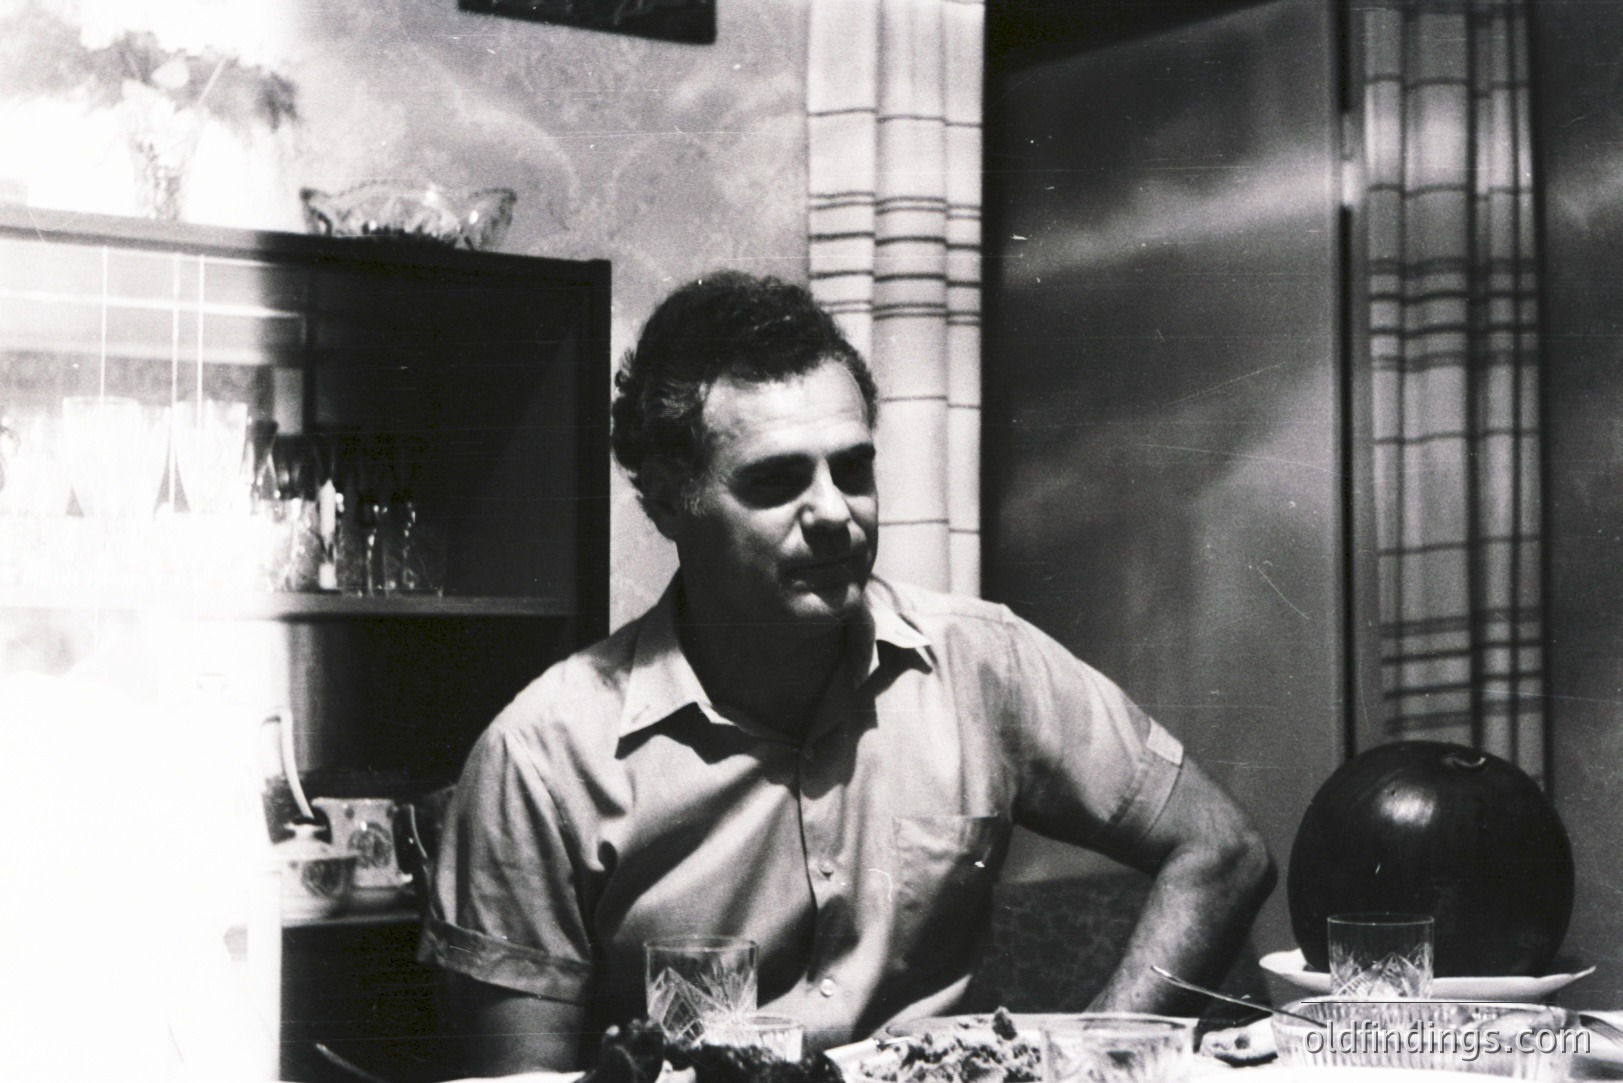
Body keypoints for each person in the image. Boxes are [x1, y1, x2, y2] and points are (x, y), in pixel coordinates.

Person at [421, 272, 1276, 1075]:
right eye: (775, 480)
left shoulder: (981, 661)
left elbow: (1221, 848)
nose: (835, 512)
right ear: (666, 503)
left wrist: (1097, 1059)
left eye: (853, 466)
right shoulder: (539, 758)